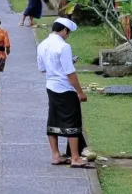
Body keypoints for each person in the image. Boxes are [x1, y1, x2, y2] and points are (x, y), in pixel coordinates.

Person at [36, 17, 93, 168]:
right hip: (65, 88)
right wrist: (80, 92)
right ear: (65, 30)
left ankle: (55, 155)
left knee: (53, 119)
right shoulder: (64, 46)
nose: (68, 36)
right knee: (72, 121)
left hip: (51, 86)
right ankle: (75, 157)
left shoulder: (43, 44)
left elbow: (42, 68)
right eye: (68, 33)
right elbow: (70, 73)